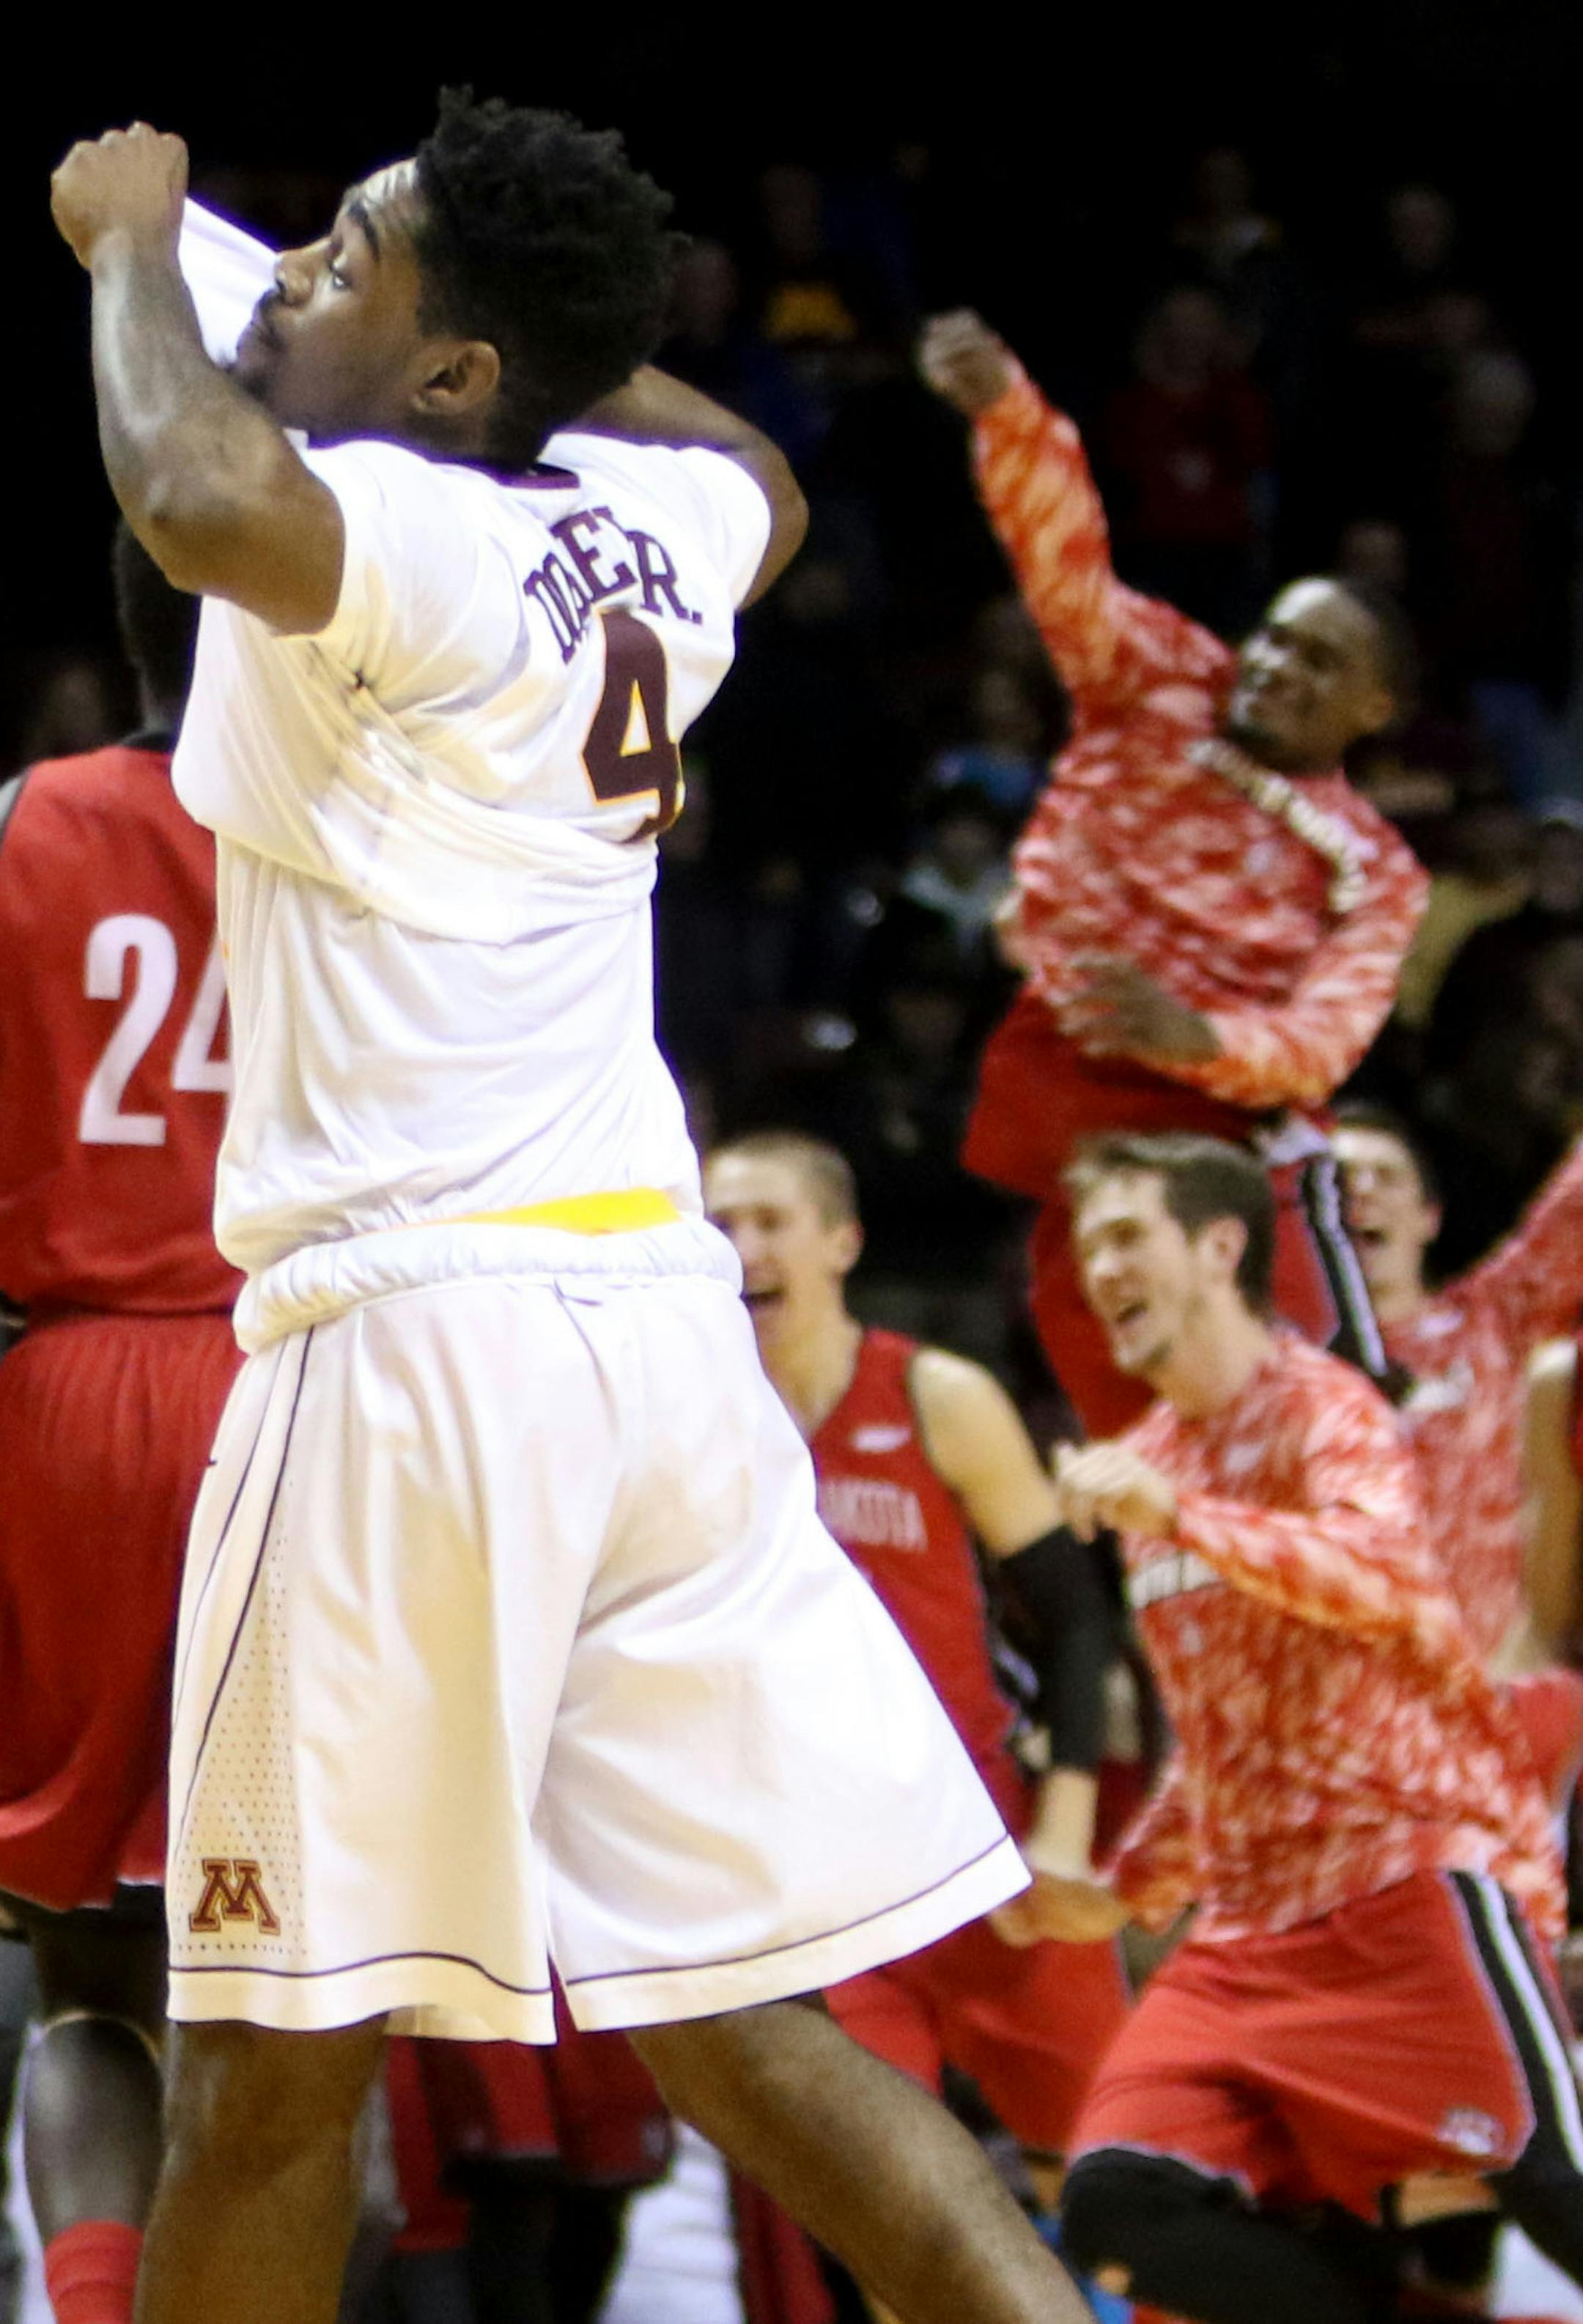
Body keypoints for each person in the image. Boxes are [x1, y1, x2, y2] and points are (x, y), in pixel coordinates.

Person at [50, 102, 1089, 2324]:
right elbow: (771, 474)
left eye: (341, 268)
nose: (289, 291)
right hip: (648, 1344)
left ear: (450, 382)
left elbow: (187, 488)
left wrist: (136, 244)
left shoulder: (397, 526)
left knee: (254, 2070)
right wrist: (535, 320)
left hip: (415, 1351)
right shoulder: (651, 523)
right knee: (748, 2019)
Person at [1015, 1131, 1580, 2324]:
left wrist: (1187, 1512)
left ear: (1221, 1245)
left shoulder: (1322, 1404)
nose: (1095, 1268)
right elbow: (1221, 1743)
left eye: (1124, 1236)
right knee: (1119, 2208)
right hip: (1252, 1931)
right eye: (1083, 1246)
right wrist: (1119, 1894)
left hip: (1411, 1883)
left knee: (1554, 2193)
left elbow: (1377, 1567)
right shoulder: (1152, 1466)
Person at [918, 308, 1428, 1438]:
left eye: (1324, 662)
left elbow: (1326, 1040)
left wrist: (1191, 1035)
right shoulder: (1160, 677)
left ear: (1374, 711)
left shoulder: (1379, 866)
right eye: (1280, 638)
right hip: (1067, 1055)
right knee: (1119, 1388)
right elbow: (1064, 560)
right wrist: (1014, 415)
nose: (1281, 669)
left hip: (1224, 1126)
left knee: (1275, 1408)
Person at [703, 1129, 1129, 2180]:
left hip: (983, 1840)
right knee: (899, 2204)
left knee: (1114, 2181)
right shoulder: (693, 1425)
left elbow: (1077, 1619)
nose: (742, 1247)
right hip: (823, 1869)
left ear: (842, 1244)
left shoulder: (938, 1396)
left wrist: (1066, 1832)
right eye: (718, 1226)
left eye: (770, 1222)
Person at [0, 530, 240, 2324]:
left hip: (70, 1395)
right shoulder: (364, 832)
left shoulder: (27, 814)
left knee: (94, 1976)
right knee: (285, 1970)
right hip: (299, 1388)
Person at [1333, 1103, 1583, 1663]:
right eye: (1339, 1180)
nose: (1362, 1193)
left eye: (1387, 1176)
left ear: (1429, 1218)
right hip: (1350, 1712)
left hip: (1500, 1692)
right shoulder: (1266, 1370)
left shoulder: (1496, 1319)